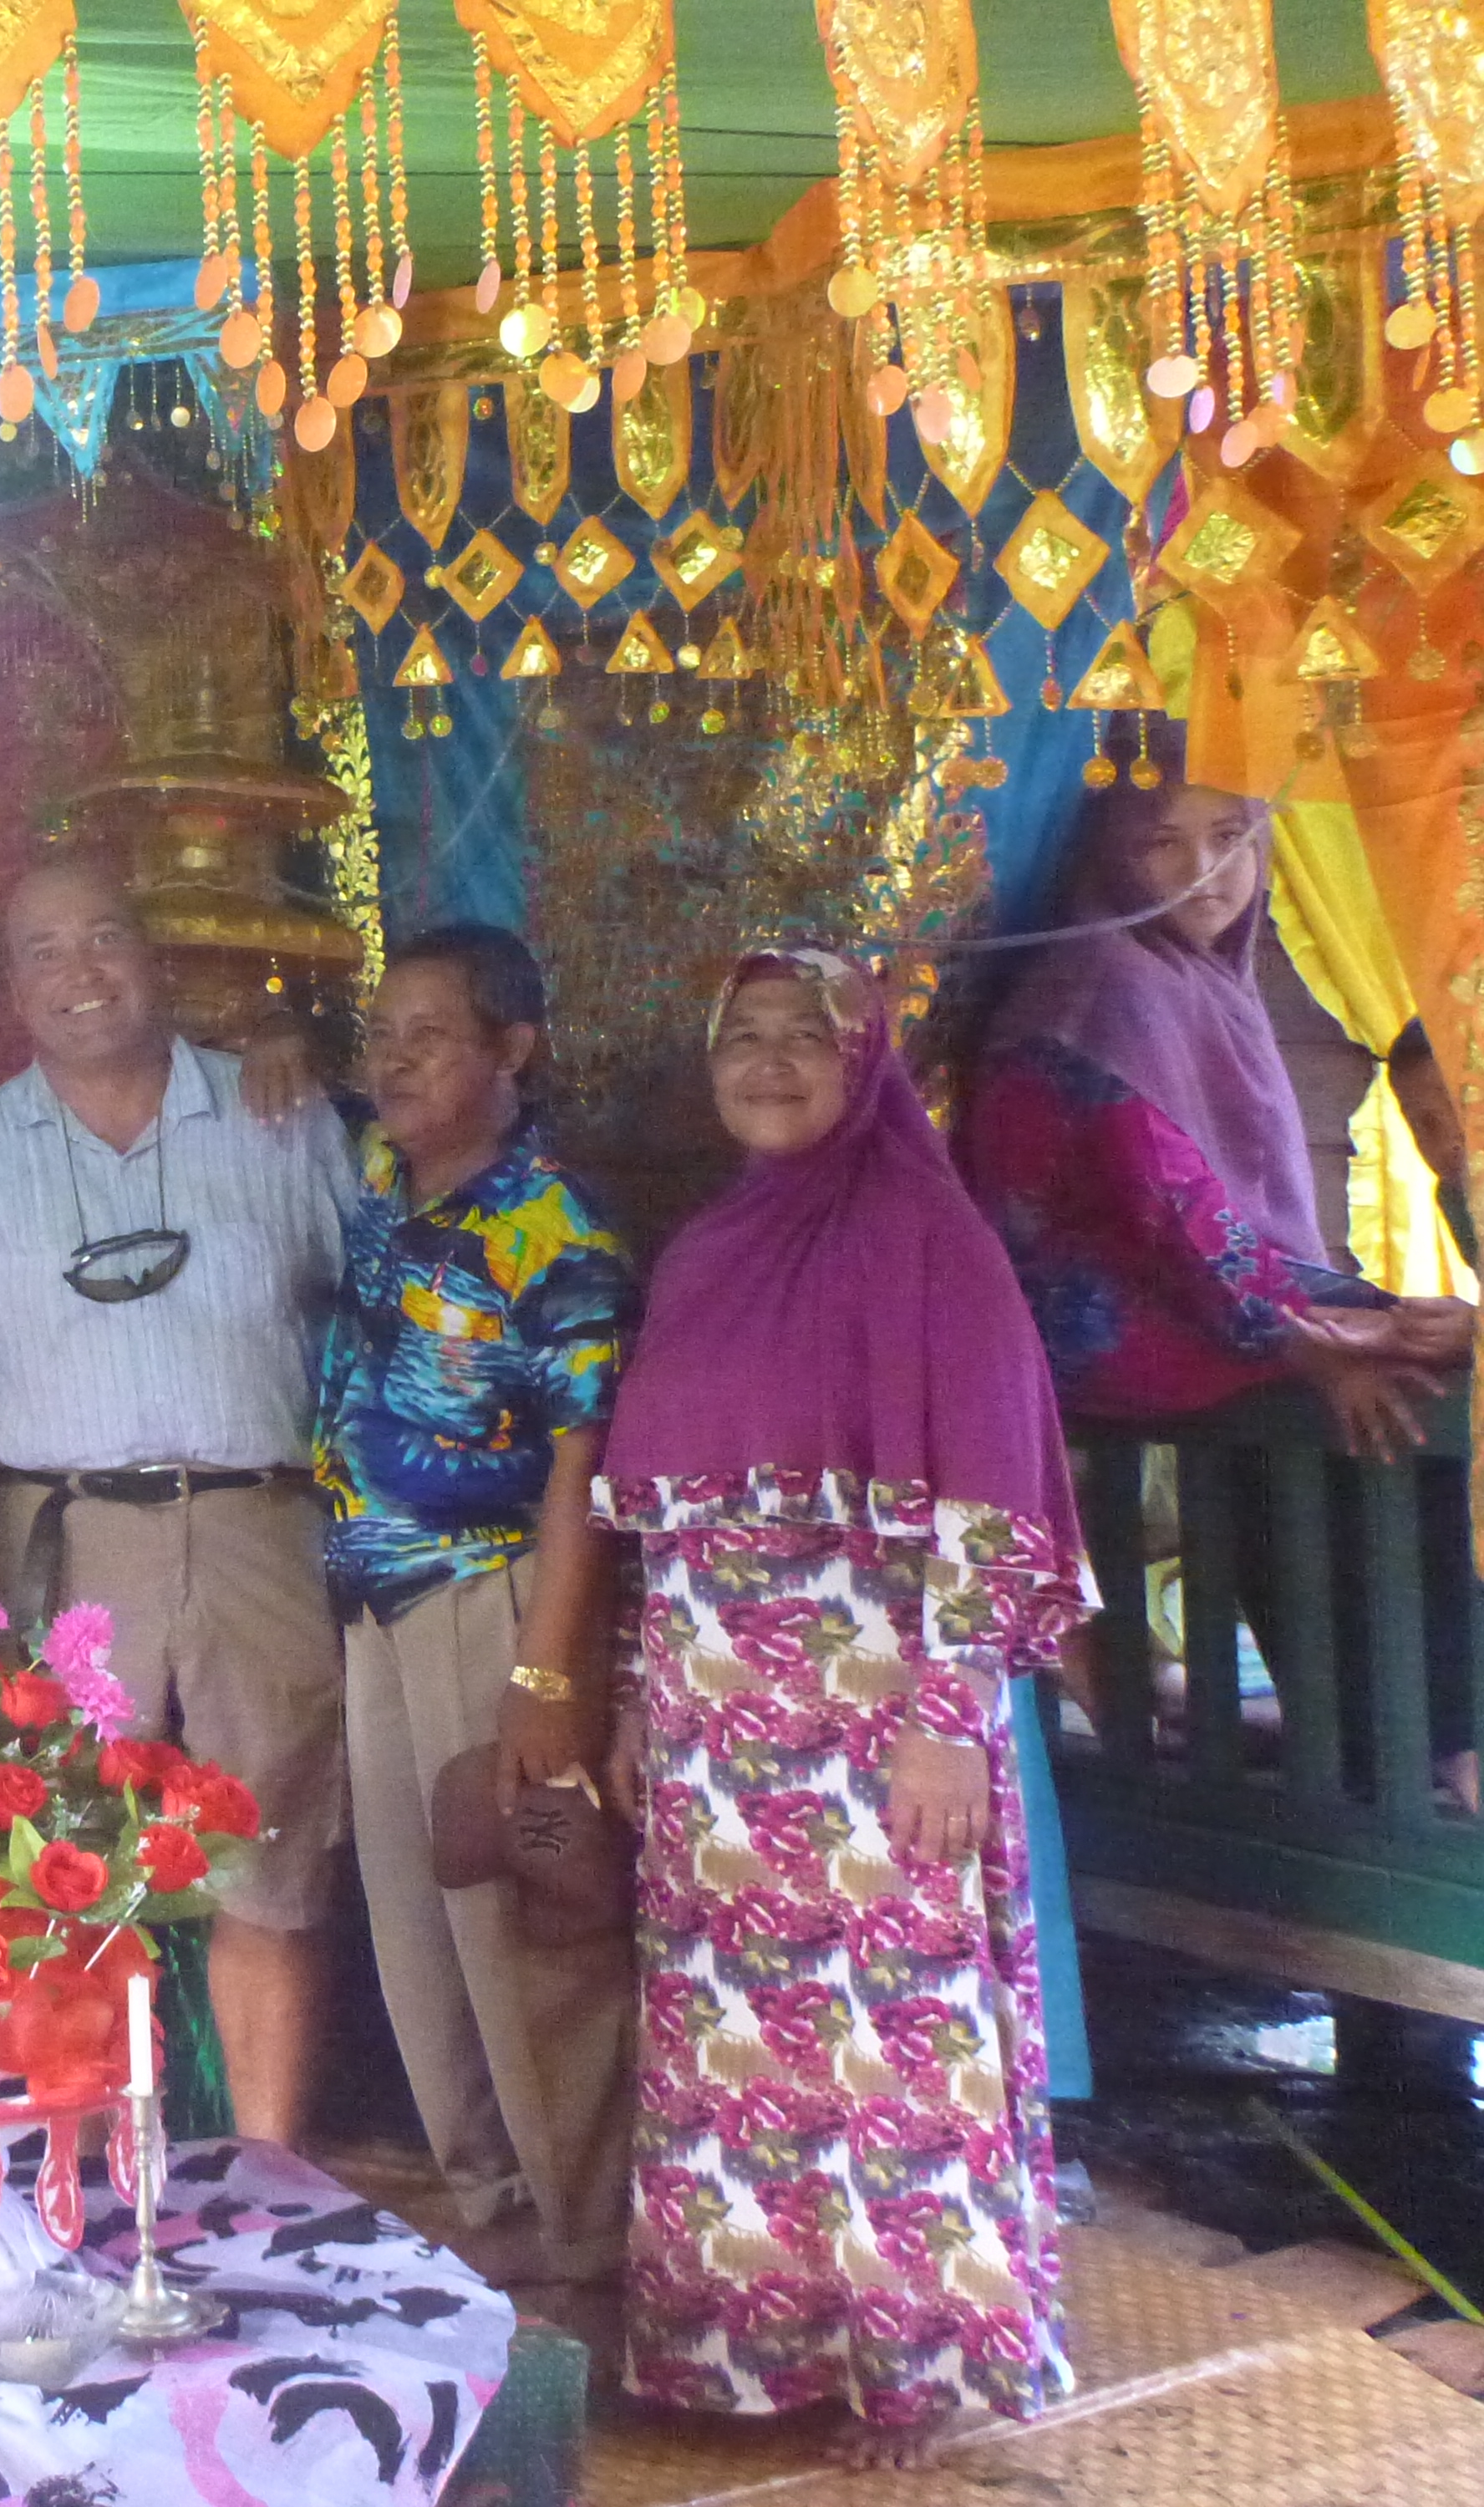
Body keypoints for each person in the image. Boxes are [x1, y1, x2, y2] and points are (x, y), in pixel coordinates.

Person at [605, 948, 1086, 2470]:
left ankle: (916, 2367)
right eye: (740, 1037)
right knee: (738, 2040)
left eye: (803, 1038)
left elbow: (991, 1505)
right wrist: (634, 1702)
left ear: (865, 1061)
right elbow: (660, 1522)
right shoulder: (705, 1254)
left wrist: (950, 1717)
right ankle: (750, 2353)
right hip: (716, 1736)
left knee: (897, 2042)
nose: (767, 1063)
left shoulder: (930, 1243)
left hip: (881, 1726)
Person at [0, 854, 352, 2145]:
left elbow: (382, 1302)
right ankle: (80, 2179)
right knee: (64, 1873)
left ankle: (266, 2179)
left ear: (155, 956)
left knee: (268, 1868)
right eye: (43, 952)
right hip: (64, 1542)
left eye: (104, 937)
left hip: (258, 1527)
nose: (80, 974)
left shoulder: (279, 1119)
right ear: (11, 987)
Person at [315, 923, 641, 2292]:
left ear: (514, 1049)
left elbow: (586, 1460)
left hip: (496, 1598)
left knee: (525, 1925)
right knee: (417, 1923)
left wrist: (547, 1673)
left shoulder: (553, 1229)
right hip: (377, 1599)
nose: (395, 1062)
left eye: (431, 1036)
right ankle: (487, 2198)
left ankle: (586, 2232)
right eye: (381, 1036)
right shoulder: (384, 1183)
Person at [961, 760, 1470, 1449]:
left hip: (1185, 1298)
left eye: (1230, 837)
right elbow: (1172, 1203)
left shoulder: (1207, 983)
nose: (1203, 869)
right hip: (1095, 1325)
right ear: (1112, 852)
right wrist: (1300, 1341)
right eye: (1162, 841)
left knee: (1414, 1333)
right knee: (1403, 1370)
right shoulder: (1109, 985)